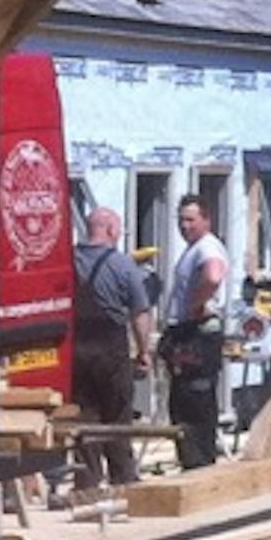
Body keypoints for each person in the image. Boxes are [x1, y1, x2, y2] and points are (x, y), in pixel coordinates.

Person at [67, 205, 154, 494]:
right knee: (117, 411)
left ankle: (87, 481)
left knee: (85, 413)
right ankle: (123, 479)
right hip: (110, 345)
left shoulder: (69, 260)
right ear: (112, 231)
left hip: (77, 346)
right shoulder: (123, 265)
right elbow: (140, 312)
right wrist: (144, 351)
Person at [159, 195, 235, 468]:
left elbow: (213, 276)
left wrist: (198, 303)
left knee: (196, 402)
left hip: (198, 334)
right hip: (187, 332)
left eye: (191, 220)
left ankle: (200, 463)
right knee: (182, 403)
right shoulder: (194, 249)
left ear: (206, 220)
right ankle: (191, 461)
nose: (184, 226)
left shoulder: (207, 247)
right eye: (181, 220)